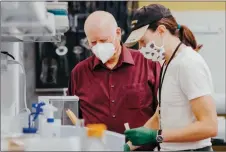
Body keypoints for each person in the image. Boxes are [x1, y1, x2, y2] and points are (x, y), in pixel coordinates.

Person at [123, 4, 218, 151]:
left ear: (161, 30)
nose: (140, 49)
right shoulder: (168, 64)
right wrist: (128, 146)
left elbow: (209, 126)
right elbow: (160, 115)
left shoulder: (188, 63)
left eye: (143, 41)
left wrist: (157, 136)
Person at [67, 11, 161, 150]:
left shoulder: (148, 63)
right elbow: (72, 119)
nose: (99, 46)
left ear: (118, 33)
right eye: (93, 42)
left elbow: (163, 111)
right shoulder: (79, 73)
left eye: (104, 40)